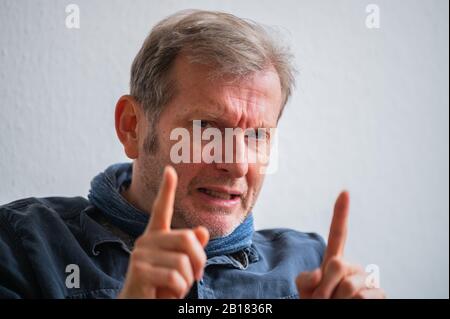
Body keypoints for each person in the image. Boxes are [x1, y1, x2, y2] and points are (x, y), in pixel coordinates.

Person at [0, 9, 385, 299]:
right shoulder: (25, 244)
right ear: (132, 126)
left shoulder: (313, 267)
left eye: (255, 135)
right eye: (206, 128)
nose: (235, 163)